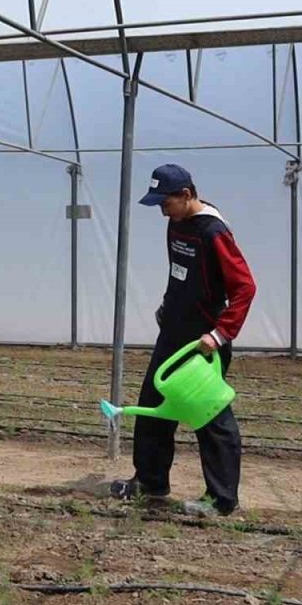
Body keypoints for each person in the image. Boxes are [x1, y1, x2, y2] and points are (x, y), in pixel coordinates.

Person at [111, 163, 257, 516]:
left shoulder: (213, 231)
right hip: (173, 330)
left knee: (210, 417)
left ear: (187, 195)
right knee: (153, 408)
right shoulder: (176, 224)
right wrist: (167, 305)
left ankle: (222, 500)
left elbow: (245, 287)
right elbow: (179, 272)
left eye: (166, 202)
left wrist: (219, 334)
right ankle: (151, 481)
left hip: (202, 340)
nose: (162, 210)